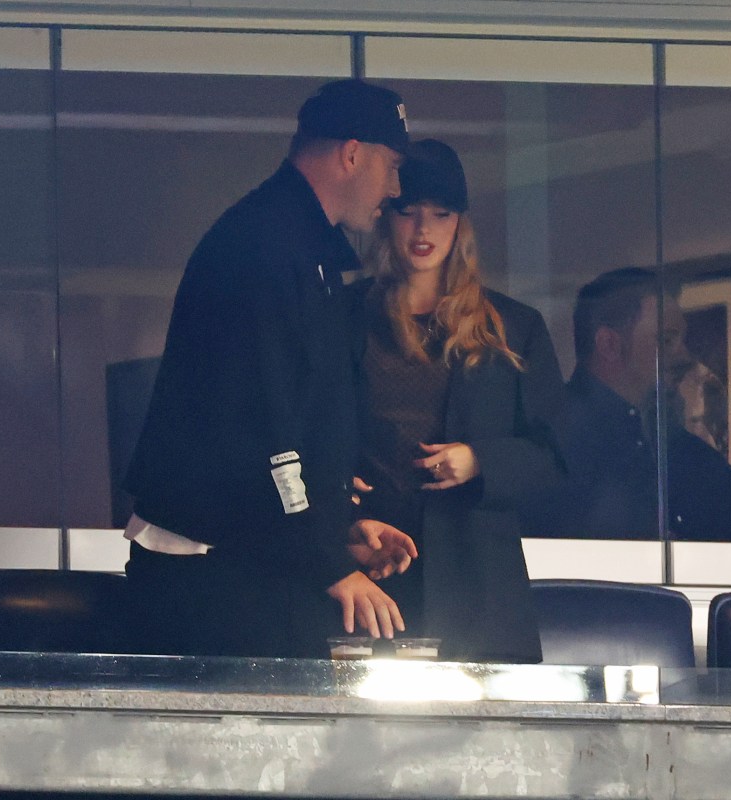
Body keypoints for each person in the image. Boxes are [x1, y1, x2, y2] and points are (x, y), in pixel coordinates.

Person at [122, 79, 419, 659]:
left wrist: (337, 526)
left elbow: (300, 420)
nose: (395, 187)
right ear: (352, 154)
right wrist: (325, 559)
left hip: (248, 564)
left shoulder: (305, 249)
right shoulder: (260, 245)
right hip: (212, 578)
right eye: (391, 165)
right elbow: (260, 427)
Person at [350, 139, 565, 663]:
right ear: (387, 217)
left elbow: (557, 457)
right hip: (376, 569)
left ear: (460, 224)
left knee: (490, 741)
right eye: (409, 213)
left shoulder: (514, 327)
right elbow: (306, 436)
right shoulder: (344, 319)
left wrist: (480, 461)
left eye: (440, 215)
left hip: (479, 585)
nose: (423, 231)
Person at [525, 266, 731, 543]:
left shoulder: (674, 447)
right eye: (665, 341)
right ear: (609, 345)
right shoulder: (549, 441)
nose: (685, 356)